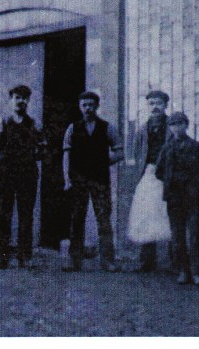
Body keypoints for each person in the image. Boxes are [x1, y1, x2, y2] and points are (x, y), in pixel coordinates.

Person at [62, 91, 123, 272]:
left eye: (91, 105)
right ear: (80, 107)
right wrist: (67, 179)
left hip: (100, 179)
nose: (88, 108)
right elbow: (66, 155)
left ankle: (108, 261)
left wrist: (103, 161)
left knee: (104, 219)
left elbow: (119, 152)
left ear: (97, 106)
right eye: (84, 105)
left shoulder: (107, 127)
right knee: (76, 218)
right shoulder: (73, 128)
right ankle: (74, 260)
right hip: (78, 179)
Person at [0, 85, 42, 270]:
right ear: (11, 100)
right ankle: (1, 258)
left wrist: (37, 152)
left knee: (26, 216)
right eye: (17, 97)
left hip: (27, 175)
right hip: (5, 175)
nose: (21, 101)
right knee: (3, 216)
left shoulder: (34, 125)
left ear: (28, 101)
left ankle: (25, 257)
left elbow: (42, 149)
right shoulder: (0, 124)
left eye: (24, 98)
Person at [155, 111, 199, 285]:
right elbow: (159, 171)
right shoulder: (167, 148)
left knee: (195, 234)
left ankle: (198, 272)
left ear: (186, 125)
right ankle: (183, 270)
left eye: (180, 124)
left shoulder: (196, 147)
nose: (177, 128)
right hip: (174, 197)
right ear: (170, 128)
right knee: (177, 235)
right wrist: (171, 181)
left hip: (193, 197)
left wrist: (196, 181)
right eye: (173, 125)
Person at [128, 89, 173, 272]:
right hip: (149, 173)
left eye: (159, 103)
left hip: (169, 176)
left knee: (170, 215)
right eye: (151, 103)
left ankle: (176, 261)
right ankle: (147, 261)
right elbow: (137, 154)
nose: (155, 107)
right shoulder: (142, 129)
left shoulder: (172, 127)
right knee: (146, 213)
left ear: (165, 105)